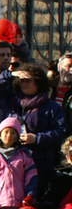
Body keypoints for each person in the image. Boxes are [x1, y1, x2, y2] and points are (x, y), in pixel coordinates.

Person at [11, 63, 66, 198]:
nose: (24, 84)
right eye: (21, 80)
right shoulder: (14, 104)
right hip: (14, 163)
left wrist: (37, 138)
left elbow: (61, 132)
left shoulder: (52, 107)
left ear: (38, 82)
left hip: (41, 164)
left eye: (28, 80)